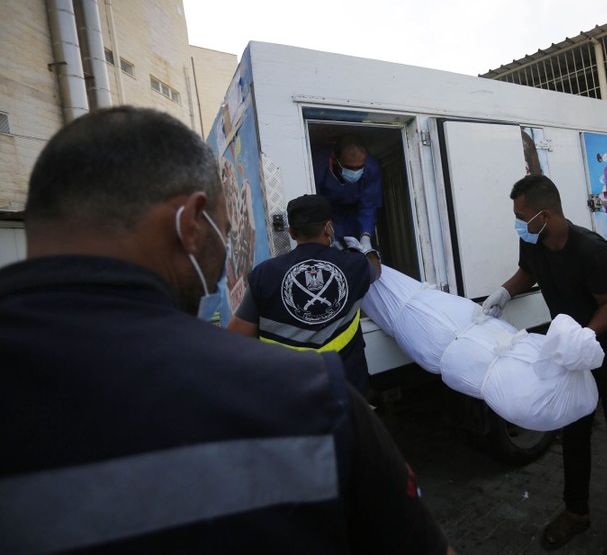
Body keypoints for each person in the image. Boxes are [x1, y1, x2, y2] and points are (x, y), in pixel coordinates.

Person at [0, 106, 452, 555]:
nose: (228, 246)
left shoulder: (263, 278)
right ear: (191, 224)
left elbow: (237, 335)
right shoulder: (317, 400)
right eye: (228, 227)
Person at [483, 174, 607, 554]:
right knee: (572, 433)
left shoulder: (591, 251)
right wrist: (505, 292)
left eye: (522, 216)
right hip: (573, 357)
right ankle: (576, 512)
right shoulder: (535, 241)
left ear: (546, 214)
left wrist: (585, 336)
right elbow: (529, 272)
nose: (518, 223)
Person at [226, 194, 380, 396]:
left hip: (289, 395)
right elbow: (375, 270)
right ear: (328, 227)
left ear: (291, 232)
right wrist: (368, 251)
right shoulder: (355, 265)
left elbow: (235, 337)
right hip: (346, 393)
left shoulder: (264, 275)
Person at [312, 134, 383, 252]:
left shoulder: (371, 167)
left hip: (353, 217)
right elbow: (314, 204)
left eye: (359, 167)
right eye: (349, 167)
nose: (355, 171)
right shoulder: (317, 164)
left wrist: (365, 237)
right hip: (326, 215)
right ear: (335, 158)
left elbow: (369, 205)